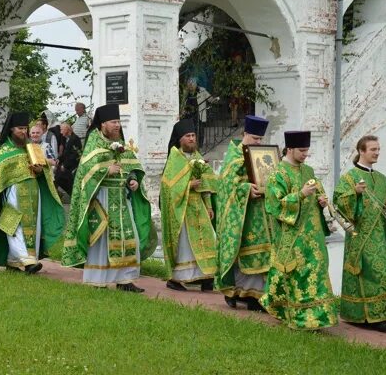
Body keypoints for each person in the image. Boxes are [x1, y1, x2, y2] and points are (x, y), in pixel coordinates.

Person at [61, 104, 157, 292]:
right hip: (101, 199)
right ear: (102, 124)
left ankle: (125, 280)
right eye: (113, 122)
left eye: (119, 122)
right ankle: (98, 280)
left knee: (129, 238)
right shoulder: (93, 144)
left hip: (122, 200)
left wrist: (134, 180)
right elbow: (84, 174)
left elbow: (132, 168)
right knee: (101, 241)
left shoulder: (120, 144)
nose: (117, 125)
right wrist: (105, 171)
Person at [0, 112, 65, 273]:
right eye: (20, 128)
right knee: (15, 225)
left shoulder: (31, 149)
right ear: (11, 129)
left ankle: (14, 261)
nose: (23, 132)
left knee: (33, 226)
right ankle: (27, 260)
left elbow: (43, 169)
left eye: (25, 128)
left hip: (33, 193)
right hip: (12, 195)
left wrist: (40, 169)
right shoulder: (4, 151)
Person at [259, 131, 339, 330]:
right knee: (298, 274)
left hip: (314, 234)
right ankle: (299, 316)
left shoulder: (309, 171)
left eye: (307, 150)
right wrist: (301, 195)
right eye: (302, 150)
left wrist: (322, 201)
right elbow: (274, 205)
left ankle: (319, 317)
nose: (305, 154)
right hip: (292, 235)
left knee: (318, 271)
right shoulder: (278, 174)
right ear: (290, 149)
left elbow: (318, 194)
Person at [333, 135, 386, 333]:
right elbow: (339, 204)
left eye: (378, 149)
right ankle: (373, 317)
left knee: (385, 272)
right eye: (373, 149)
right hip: (360, 236)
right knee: (374, 275)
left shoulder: (381, 179)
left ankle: (384, 312)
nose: (377, 152)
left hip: (383, 236)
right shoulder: (349, 177)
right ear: (361, 151)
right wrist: (355, 192)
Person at [214, 115, 274, 311]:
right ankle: (236, 291)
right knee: (242, 252)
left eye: (260, 139)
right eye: (254, 138)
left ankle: (255, 295)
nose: (258, 142)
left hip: (260, 213)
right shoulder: (234, 156)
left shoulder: (261, 154)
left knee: (262, 255)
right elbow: (226, 184)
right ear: (245, 134)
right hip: (242, 214)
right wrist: (245, 189)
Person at [160, 119, 218, 291]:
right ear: (180, 139)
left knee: (208, 240)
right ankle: (176, 279)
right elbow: (167, 188)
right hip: (182, 210)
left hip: (198, 206)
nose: (192, 139)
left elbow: (207, 183)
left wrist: (209, 206)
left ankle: (207, 277)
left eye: (193, 135)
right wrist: (188, 186)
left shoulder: (197, 157)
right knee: (186, 245)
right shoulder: (174, 158)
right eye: (188, 136)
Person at [54, 123, 82, 195]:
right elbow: (65, 153)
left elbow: (74, 155)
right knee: (57, 176)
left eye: (62, 130)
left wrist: (65, 165)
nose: (60, 132)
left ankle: (73, 194)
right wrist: (59, 159)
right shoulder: (67, 138)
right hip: (67, 164)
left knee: (59, 178)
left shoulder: (75, 139)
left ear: (67, 129)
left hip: (72, 166)